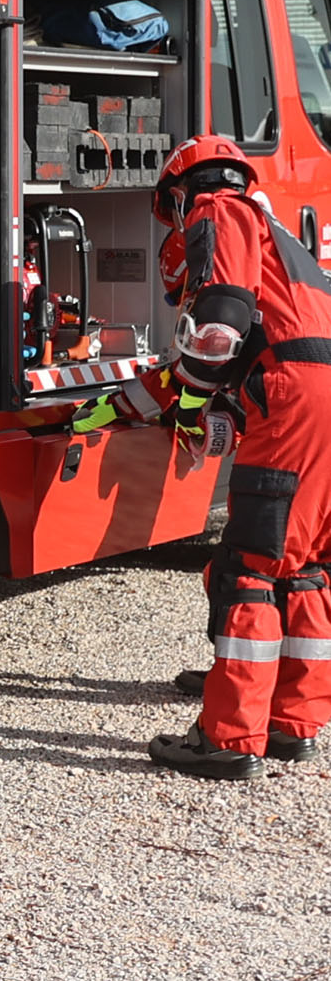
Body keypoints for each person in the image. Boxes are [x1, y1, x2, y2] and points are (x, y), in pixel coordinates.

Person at [134, 136, 331, 776]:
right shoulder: (284, 238)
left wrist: (186, 391)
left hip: (291, 396)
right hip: (320, 394)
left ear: (180, 191)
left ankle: (228, 737)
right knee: (302, 563)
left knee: (247, 567)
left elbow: (221, 320)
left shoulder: (218, 208)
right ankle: (294, 721)